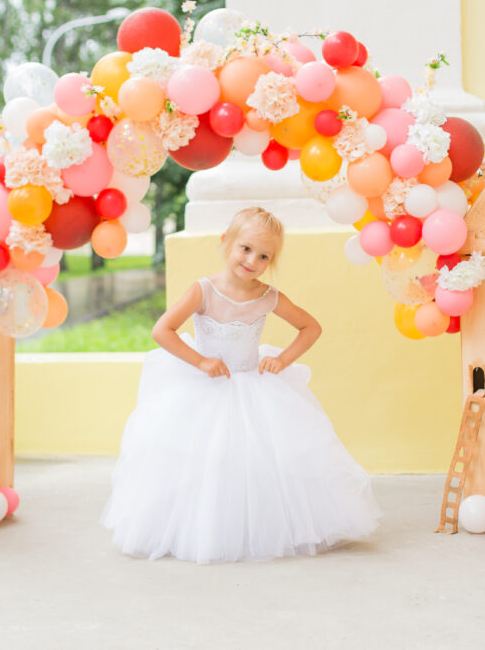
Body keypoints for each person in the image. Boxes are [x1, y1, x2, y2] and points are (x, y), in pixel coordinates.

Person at [101, 207, 380, 563]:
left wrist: (283, 359)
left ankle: (258, 527)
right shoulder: (204, 291)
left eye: (264, 256)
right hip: (205, 388)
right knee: (206, 460)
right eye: (246, 249)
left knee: (259, 460)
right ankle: (203, 528)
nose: (252, 261)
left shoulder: (268, 297)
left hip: (252, 386)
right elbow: (162, 330)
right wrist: (201, 361)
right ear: (226, 242)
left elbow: (311, 327)